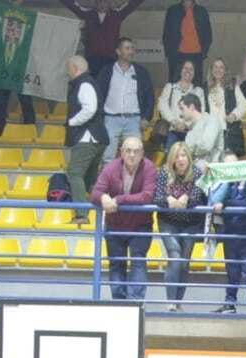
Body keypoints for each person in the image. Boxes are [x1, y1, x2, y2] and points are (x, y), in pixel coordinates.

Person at [92, 135, 158, 303]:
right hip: (115, 225)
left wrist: (120, 199)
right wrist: (104, 198)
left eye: (136, 151)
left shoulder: (150, 168)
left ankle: (134, 304)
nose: (131, 155)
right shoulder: (111, 168)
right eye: (128, 150)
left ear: (142, 153)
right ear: (121, 152)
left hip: (140, 226)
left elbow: (148, 196)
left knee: (138, 262)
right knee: (116, 265)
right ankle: (119, 305)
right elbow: (95, 193)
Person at [153, 141, 208, 309]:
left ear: (189, 158)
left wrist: (187, 199)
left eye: (183, 155)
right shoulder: (164, 172)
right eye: (177, 156)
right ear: (172, 159)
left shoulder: (197, 172)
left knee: (184, 263)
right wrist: (167, 199)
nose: (181, 159)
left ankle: (178, 302)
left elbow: (198, 196)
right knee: (175, 258)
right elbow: (156, 197)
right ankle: (170, 302)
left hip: (191, 223)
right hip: (168, 221)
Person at [210, 152, 246, 312]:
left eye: (235, 164)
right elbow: (212, 200)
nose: (232, 168)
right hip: (230, 234)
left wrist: (225, 205)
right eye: (228, 165)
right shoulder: (221, 184)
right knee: (232, 271)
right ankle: (229, 303)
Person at [94, 37, 156, 159]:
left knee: (134, 158)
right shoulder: (107, 71)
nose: (131, 51)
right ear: (118, 51)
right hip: (110, 119)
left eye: (132, 48)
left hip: (134, 120)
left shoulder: (141, 72)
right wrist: (99, 117)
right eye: (127, 48)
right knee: (107, 157)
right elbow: (98, 95)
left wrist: (146, 118)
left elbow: (150, 97)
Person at [64, 55, 107, 221]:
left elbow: (90, 109)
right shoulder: (88, 82)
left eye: (68, 69)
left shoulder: (84, 84)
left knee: (74, 173)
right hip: (97, 138)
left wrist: (72, 122)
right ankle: (98, 211)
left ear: (75, 68)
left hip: (87, 138)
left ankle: (82, 214)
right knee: (89, 178)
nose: (67, 73)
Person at [62, 0, 148, 77]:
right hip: (92, 57)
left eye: (105, 1)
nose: (102, 3)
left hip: (110, 57)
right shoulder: (88, 15)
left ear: (109, 3)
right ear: (95, 3)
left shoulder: (117, 15)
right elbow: (72, 5)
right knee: (95, 82)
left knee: (108, 83)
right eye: (99, 1)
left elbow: (132, 5)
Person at [206, 57, 246, 158]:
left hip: (229, 133)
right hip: (210, 134)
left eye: (221, 67)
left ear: (225, 70)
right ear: (211, 69)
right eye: (215, 67)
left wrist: (234, 115)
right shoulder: (205, 87)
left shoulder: (233, 86)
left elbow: (243, 105)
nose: (218, 70)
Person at [162, 0, 212, 85]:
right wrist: (169, 53)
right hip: (177, 55)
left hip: (196, 55)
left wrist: (203, 53)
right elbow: (166, 34)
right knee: (175, 83)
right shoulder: (172, 10)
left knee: (196, 85)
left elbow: (208, 35)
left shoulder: (202, 11)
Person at [157, 59, 200, 151]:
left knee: (189, 160)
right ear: (180, 70)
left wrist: (186, 125)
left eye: (191, 69)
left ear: (195, 73)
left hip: (191, 133)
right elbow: (162, 105)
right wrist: (174, 122)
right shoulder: (170, 87)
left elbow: (200, 110)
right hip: (172, 131)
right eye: (185, 68)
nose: (188, 71)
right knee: (171, 161)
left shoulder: (198, 91)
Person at [179, 91, 226, 167]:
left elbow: (205, 146)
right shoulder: (191, 128)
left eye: (182, 108)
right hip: (196, 167)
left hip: (211, 168)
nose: (180, 113)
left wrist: (188, 150)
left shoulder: (211, 121)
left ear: (191, 107)